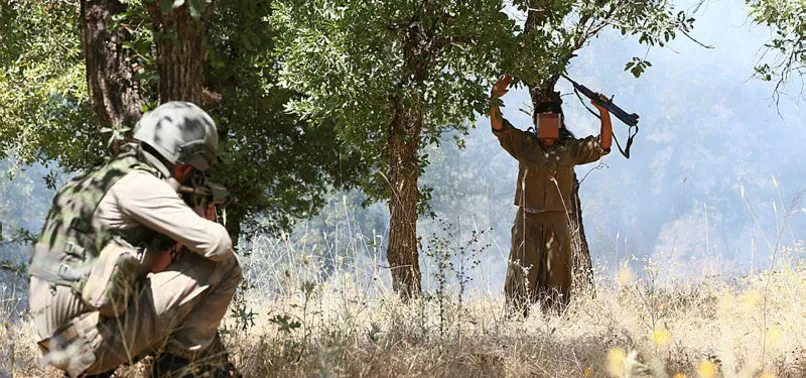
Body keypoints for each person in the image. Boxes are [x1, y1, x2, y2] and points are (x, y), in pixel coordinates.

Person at [27, 102, 242, 377]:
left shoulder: (94, 179)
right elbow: (219, 246)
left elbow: (144, 268)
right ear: (184, 164)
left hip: (54, 339)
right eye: (191, 170)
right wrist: (201, 221)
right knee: (225, 266)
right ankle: (179, 368)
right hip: (84, 343)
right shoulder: (141, 186)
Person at [489, 75, 611, 314]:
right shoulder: (524, 144)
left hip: (557, 221)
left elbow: (603, 146)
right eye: (543, 120)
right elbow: (498, 127)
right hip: (528, 220)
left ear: (560, 124)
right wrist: (494, 98)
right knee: (521, 274)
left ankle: (554, 325)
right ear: (535, 123)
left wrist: (604, 113)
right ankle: (516, 323)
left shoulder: (570, 149)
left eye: (552, 120)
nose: (548, 125)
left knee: (557, 277)